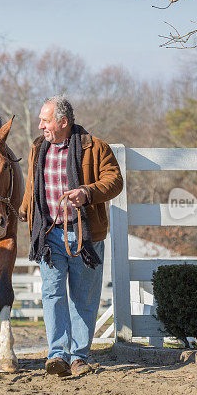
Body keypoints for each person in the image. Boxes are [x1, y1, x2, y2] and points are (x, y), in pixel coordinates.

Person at [20, 95, 123, 377]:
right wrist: (24, 210)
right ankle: (57, 355)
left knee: (84, 297)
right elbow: (33, 185)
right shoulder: (38, 148)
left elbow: (115, 181)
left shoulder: (95, 147)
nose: (40, 125)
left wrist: (87, 192)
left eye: (45, 120)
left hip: (84, 235)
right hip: (50, 233)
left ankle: (78, 356)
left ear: (62, 121)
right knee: (52, 293)